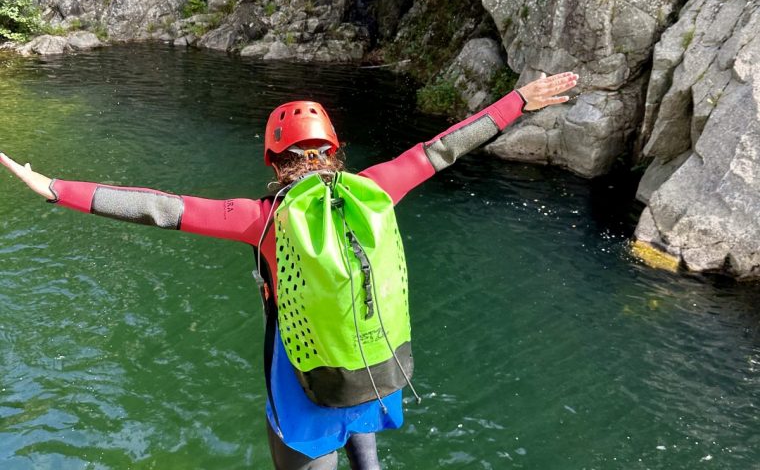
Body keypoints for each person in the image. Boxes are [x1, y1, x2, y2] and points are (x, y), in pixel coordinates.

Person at [1, 71, 578, 470]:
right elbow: (441, 149)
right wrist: (519, 100)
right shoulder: (376, 189)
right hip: (373, 362)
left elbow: (162, 208)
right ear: (335, 151)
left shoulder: (261, 218)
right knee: (364, 443)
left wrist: (55, 188)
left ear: (273, 161)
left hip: (302, 377)